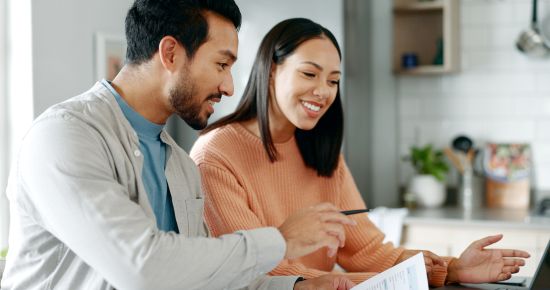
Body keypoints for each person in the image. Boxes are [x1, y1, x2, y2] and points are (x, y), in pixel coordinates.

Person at [0, 1, 358, 289]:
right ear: (170, 53)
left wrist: (297, 287)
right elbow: (143, 269)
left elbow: (208, 277)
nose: (229, 87)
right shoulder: (67, 137)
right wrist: (280, 240)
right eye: (221, 64)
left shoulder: (180, 165)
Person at [190, 18, 531, 287]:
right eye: (310, 73)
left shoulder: (320, 150)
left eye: (334, 80)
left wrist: (452, 268)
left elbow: (367, 251)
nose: (323, 91)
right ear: (271, 70)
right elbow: (261, 271)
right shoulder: (216, 157)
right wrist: (374, 283)